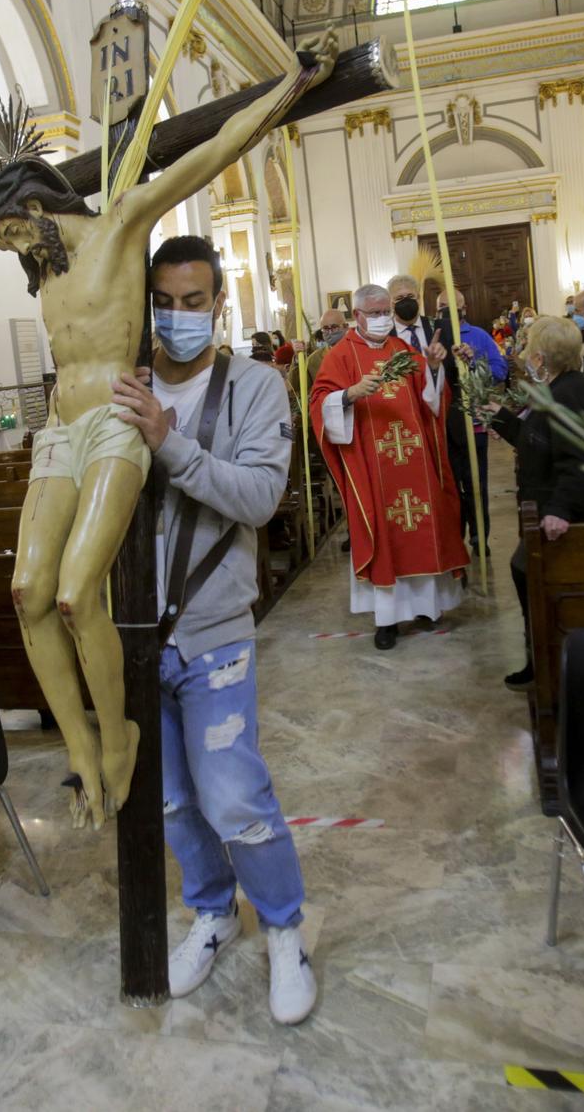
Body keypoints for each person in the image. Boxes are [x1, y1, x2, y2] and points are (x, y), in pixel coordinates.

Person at [108, 235, 317, 1026]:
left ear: (218, 303)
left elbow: (260, 497)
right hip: (132, 632)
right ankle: (212, 910)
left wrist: (171, 443)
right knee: (167, 799)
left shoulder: (255, 387)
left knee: (233, 795)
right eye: (164, 301)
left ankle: (285, 927)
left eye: (194, 302)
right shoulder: (123, 386)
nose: (178, 316)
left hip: (214, 627)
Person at [309, 284, 468, 650]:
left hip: (415, 460)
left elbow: (432, 402)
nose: (383, 319)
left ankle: (428, 607)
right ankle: (387, 620)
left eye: (386, 312)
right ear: (359, 316)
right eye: (376, 313)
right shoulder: (341, 355)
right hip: (373, 465)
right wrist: (349, 394)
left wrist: (432, 367)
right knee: (384, 534)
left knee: (423, 526)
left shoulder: (403, 350)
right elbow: (319, 403)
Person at [491, 316, 584, 690]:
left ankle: (547, 661)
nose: (525, 355)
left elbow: (582, 458)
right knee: (523, 571)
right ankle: (541, 656)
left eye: (529, 348)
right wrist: (500, 418)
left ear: (542, 357)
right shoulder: (563, 386)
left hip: (577, 516)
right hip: (553, 504)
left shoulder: (569, 394)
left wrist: (561, 509)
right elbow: (539, 443)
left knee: (528, 574)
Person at [388, 274, 472, 558]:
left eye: (410, 297)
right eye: (399, 299)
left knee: (454, 489)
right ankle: (421, 551)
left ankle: (455, 550)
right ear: (390, 304)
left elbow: (463, 374)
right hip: (405, 429)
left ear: (420, 299)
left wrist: (466, 357)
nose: (406, 303)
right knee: (417, 493)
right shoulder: (383, 340)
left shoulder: (444, 328)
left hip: (447, 423)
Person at [433, 289, 507, 551]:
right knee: (450, 487)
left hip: (473, 423)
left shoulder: (478, 336)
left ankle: (479, 536)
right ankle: (455, 537)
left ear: (464, 308)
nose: (447, 311)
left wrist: (474, 361)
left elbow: (500, 371)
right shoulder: (435, 339)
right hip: (442, 426)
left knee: (476, 483)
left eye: (453, 306)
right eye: (442, 306)